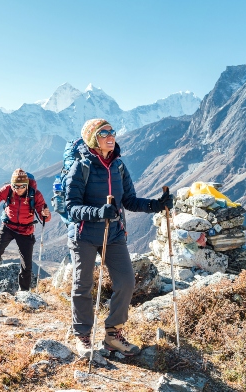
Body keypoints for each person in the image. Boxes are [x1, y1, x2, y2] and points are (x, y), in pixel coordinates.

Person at [65, 118, 173, 357]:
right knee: (82, 286)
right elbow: (71, 207)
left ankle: (113, 335)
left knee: (126, 282)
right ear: (93, 139)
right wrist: (97, 212)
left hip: (113, 233)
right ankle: (83, 335)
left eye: (112, 131)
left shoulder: (118, 167)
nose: (110, 136)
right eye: (104, 133)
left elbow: (130, 201)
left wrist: (156, 205)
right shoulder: (81, 167)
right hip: (84, 235)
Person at [0, 168, 51, 291]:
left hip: (26, 230)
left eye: (22, 186)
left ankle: (24, 291)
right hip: (8, 226)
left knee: (26, 263)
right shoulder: (7, 190)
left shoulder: (35, 195)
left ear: (27, 184)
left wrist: (46, 214)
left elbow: (45, 218)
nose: (18, 189)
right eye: (15, 186)